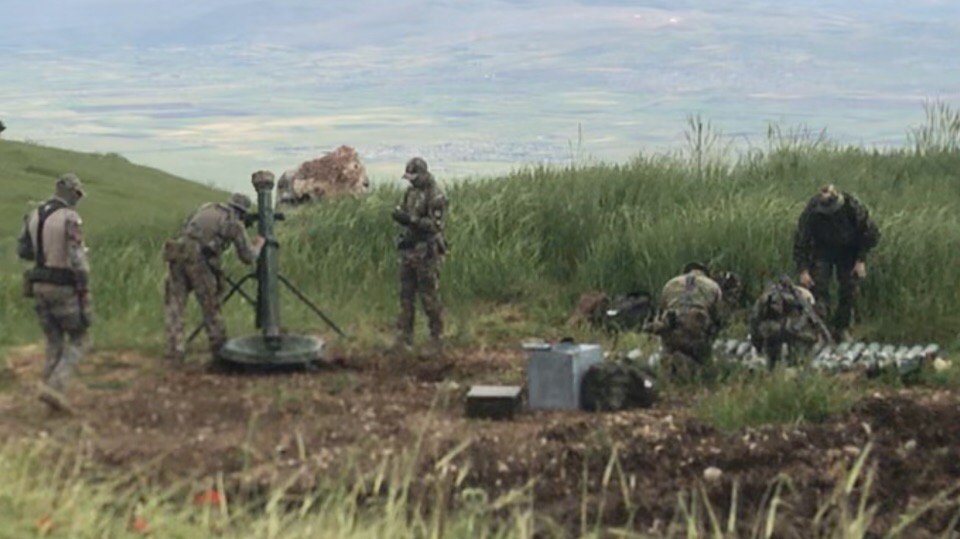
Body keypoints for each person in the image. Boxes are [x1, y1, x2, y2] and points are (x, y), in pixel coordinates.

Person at [16, 173, 91, 412]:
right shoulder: (70, 217)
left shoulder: (34, 214)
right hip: (63, 286)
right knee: (80, 338)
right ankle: (55, 387)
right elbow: (76, 258)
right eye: (78, 194)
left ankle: (46, 396)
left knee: (53, 341)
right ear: (72, 192)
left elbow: (24, 251)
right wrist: (84, 288)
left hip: (38, 285)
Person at [163, 193, 264, 362]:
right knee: (210, 305)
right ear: (242, 212)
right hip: (199, 261)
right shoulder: (234, 223)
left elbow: (186, 226)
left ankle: (174, 351)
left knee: (175, 305)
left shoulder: (207, 207)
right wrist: (258, 245)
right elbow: (247, 257)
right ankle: (219, 350)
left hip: (177, 254)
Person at [793, 184, 880, 341]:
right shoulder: (812, 210)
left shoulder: (852, 206)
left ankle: (842, 328)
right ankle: (821, 329)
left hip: (848, 251)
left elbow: (870, 233)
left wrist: (861, 260)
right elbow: (801, 239)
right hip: (821, 251)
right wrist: (803, 270)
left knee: (849, 289)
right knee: (818, 289)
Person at [392, 157, 447, 354]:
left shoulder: (436, 195)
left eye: (414, 177)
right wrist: (401, 218)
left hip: (427, 251)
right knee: (405, 296)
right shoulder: (411, 192)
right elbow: (405, 211)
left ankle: (436, 338)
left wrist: (411, 220)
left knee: (428, 296)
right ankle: (404, 338)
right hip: (409, 249)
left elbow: (435, 226)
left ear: (423, 174)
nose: (411, 181)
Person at [646, 262, 725, 375]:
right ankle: (699, 367)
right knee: (705, 364)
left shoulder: (671, 283)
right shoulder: (712, 286)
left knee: (667, 351)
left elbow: (661, 313)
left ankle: (670, 363)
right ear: (705, 273)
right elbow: (718, 319)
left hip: (671, 332)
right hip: (697, 334)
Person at [749, 276, 829, 368]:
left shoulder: (766, 297)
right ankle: (793, 361)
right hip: (784, 332)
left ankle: (774, 362)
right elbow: (802, 325)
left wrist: (757, 343)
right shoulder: (800, 299)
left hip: (772, 332)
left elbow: (754, 321)